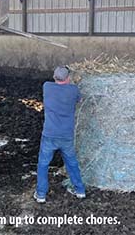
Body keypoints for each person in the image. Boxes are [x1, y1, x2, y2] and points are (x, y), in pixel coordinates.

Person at [34, 66, 85, 203]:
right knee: (72, 163)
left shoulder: (47, 87)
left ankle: (40, 195)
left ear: (54, 77)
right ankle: (80, 190)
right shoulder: (73, 90)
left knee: (43, 164)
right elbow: (80, 100)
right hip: (66, 135)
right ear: (68, 78)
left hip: (49, 134)